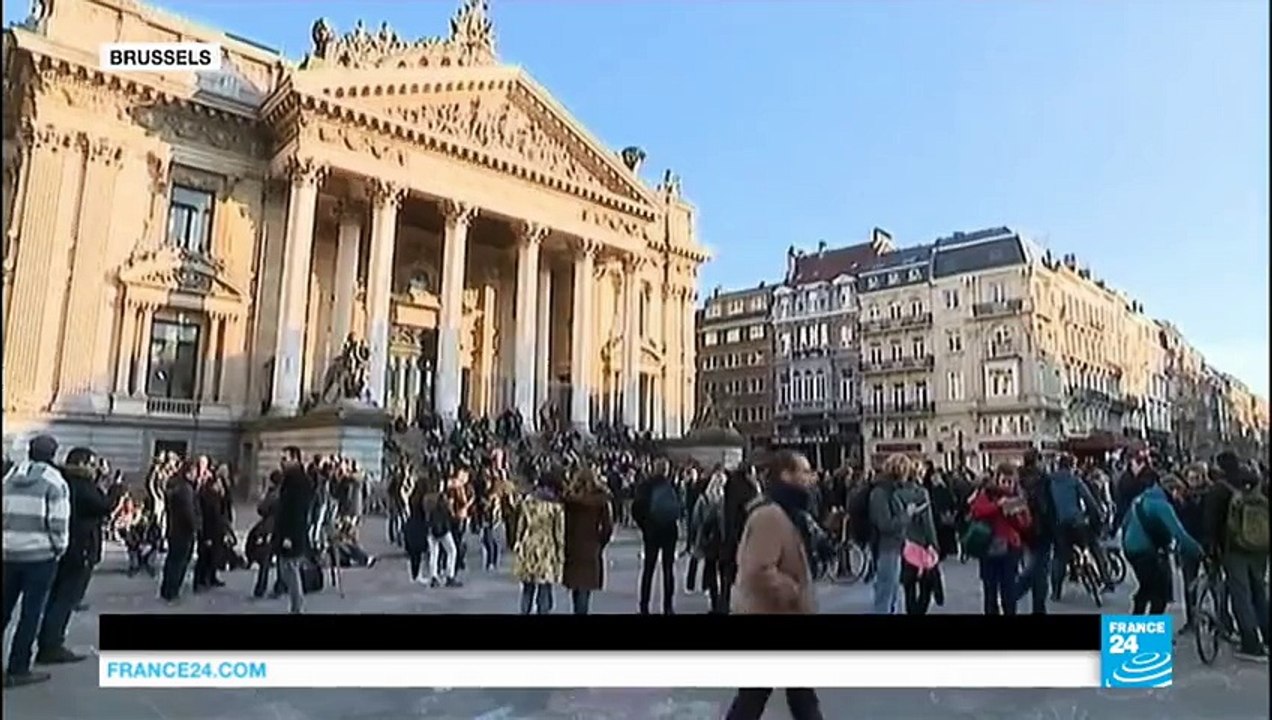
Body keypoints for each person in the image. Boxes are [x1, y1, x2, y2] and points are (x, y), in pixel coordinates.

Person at [724, 450, 823, 720]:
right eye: (804, 471)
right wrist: (793, 591)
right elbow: (757, 569)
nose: (810, 477)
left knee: (796, 697)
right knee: (757, 698)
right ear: (786, 475)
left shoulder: (792, 513)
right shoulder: (770, 515)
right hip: (770, 614)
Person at [2, 435, 70, 688]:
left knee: (3, 610)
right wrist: (59, 548)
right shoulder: (54, 481)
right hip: (39, 556)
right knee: (31, 613)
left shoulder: (9, 478)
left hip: (8, 553)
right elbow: (58, 522)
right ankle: (18, 668)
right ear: (53, 454)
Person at [36, 446, 111, 664]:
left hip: (63, 548)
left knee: (56, 596)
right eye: (92, 463)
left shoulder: (62, 480)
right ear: (82, 464)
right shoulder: (84, 486)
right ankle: (51, 644)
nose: (95, 468)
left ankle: (47, 641)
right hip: (79, 548)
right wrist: (112, 484)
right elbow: (104, 505)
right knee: (65, 598)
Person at [1202, 451, 1269, 661]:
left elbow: (1211, 525)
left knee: (1241, 596)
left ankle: (1251, 644)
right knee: (1259, 593)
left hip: (1235, 549)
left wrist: (1211, 550)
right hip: (1260, 548)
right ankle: (1268, 637)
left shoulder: (1219, 490)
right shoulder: (1255, 483)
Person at [1122, 474, 1201, 615]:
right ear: (1173, 490)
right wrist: (1198, 551)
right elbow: (1179, 534)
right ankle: (1151, 633)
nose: (1180, 498)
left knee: (1146, 588)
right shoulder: (1162, 505)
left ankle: (1137, 624)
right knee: (1160, 596)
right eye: (1180, 493)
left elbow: (1125, 522)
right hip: (1146, 551)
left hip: (1131, 550)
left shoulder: (1140, 499)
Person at [969, 463, 1032, 615]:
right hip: (989, 547)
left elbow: (1026, 523)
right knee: (990, 592)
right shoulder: (988, 494)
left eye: (1010, 482)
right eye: (1004, 481)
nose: (1007, 485)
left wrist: (1016, 513)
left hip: (1010, 549)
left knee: (1008, 593)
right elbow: (976, 510)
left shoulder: (1018, 497)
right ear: (997, 480)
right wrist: (998, 505)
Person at [1048, 453, 1110, 600]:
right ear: (1071, 466)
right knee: (1093, 545)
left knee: (1060, 557)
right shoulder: (1074, 480)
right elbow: (1088, 499)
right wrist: (1097, 514)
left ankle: (1056, 592)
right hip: (1077, 522)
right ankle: (1106, 579)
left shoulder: (1050, 481)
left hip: (1060, 524)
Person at [512, 467, 566, 614]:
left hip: (528, 547)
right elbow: (559, 534)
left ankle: (524, 611)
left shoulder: (527, 502)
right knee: (544, 588)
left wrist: (518, 544)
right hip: (546, 549)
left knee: (527, 589)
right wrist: (561, 555)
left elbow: (520, 528)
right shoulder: (556, 507)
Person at [632, 457, 681, 615]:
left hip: (652, 530)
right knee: (668, 569)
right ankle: (667, 606)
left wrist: (644, 525)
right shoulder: (672, 485)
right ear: (667, 470)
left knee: (648, 569)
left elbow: (636, 508)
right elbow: (680, 506)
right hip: (669, 530)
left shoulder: (646, 486)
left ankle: (644, 605)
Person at [562, 466, 614, 614]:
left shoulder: (570, 500)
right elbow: (607, 527)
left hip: (573, 546)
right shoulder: (600, 501)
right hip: (591, 547)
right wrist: (600, 543)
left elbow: (563, 523)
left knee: (576, 588)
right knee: (585, 589)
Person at [868, 454, 913, 615]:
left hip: (894, 546)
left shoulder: (889, 490)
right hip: (886, 547)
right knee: (885, 594)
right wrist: (906, 515)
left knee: (892, 593)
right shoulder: (881, 492)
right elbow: (885, 524)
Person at [274, 446, 315, 614]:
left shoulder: (298, 481)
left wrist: (289, 536)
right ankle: (296, 605)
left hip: (292, 533)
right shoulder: (290, 479)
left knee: (290, 569)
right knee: (286, 570)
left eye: (285, 458)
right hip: (287, 531)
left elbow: (297, 511)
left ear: (295, 459)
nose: (282, 462)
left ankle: (297, 608)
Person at [896, 458, 940, 616]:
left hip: (903, 543)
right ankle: (919, 611)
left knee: (909, 586)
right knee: (925, 584)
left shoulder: (897, 493)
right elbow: (927, 522)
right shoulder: (921, 493)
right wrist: (934, 543)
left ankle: (911, 610)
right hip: (920, 543)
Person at [1015, 449, 1055, 614]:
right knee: (1039, 569)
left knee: (1038, 568)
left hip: (1023, 529)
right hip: (1041, 529)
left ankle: (1039, 608)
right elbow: (1046, 506)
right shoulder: (1042, 478)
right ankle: (1015, 594)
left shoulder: (1019, 478)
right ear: (1038, 460)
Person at [720, 464, 762, 613]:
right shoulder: (748, 489)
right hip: (744, 535)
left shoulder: (731, 486)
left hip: (733, 536)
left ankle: (724, 603)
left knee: (729, 573)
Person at [159, 461, 201, 603]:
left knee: (171, 560)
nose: (196, 475)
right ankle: (173, 590)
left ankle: (166, 589)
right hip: (183, 531)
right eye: (195, 472)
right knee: (180, 562)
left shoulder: (175, 486)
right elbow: (188, 512)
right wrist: (196, 527)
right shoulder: (186, 489)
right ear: (188, 472)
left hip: (173, 529)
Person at [688, 469, 727, 613]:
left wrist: (694, 536)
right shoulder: (726, 499)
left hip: (707, 538)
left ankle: (714, 600)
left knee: (710, 569)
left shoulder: (704, 498)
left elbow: (695, 519)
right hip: (722, 540)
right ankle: (724, 601)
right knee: (723, 572)